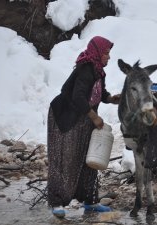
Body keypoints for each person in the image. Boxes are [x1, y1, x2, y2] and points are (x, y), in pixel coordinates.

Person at [47, 36, 120, 218]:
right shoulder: (85, 70)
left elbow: (99, 94)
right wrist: (94, 116)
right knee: (67, 158)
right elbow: (78, 97)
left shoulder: (98, 71)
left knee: (88, 159)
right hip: (66, 117)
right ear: (97, 53)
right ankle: (57, 202)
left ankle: (90, 202)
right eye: (106, 53)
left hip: (84, 120)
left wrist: (111, 99)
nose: (108, 57)